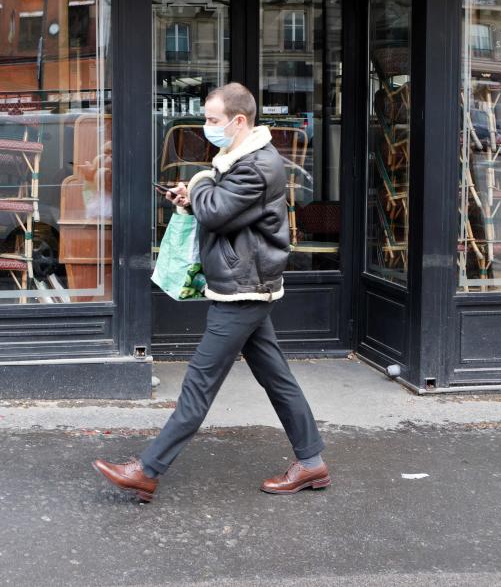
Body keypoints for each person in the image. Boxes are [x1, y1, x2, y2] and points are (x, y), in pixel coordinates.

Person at [93, 83, 328, 503]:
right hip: (246, 285)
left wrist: (197, 186)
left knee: (199, 382)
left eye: (212, 120)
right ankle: (311, 463)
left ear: (239, 121)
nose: (206, 127)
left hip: (242, 292)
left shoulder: (257, 165)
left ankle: (147, 471)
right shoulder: (240, 159)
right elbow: (220, 206)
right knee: (277, 379)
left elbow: (218, 211)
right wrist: (194, 195)